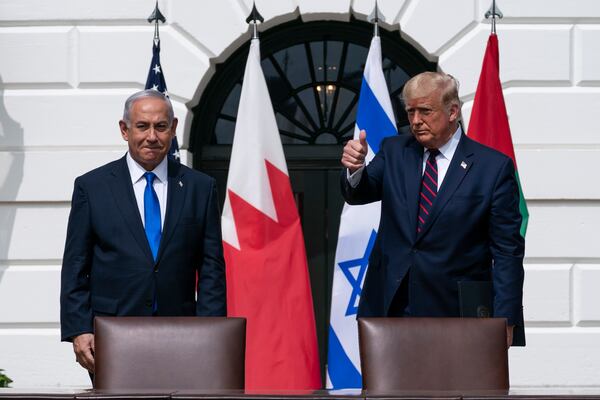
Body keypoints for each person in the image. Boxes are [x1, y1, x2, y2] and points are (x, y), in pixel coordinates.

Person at [341, 72, 525, 346]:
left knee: (456, 390)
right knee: (389, 390)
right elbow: (360, 192)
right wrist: (354, 169)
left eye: (425, 111)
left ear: (452, 112)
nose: (415, 121)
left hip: (458, 315)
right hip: (391, 311)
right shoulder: (394, 151)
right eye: (410, 111)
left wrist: (506, 318)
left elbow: (507, 252)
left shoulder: (493, 168)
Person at [60, 89, 226, 373]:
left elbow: (211, 268)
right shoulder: (93, 187)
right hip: (110, 336)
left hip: (183, 337)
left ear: (173, 129)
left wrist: (209, 331)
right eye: (142, 126)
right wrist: (79, 329)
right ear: (125, 130)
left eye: (161, 126)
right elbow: (76, 266)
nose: (152, 136)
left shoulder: (200, 188)